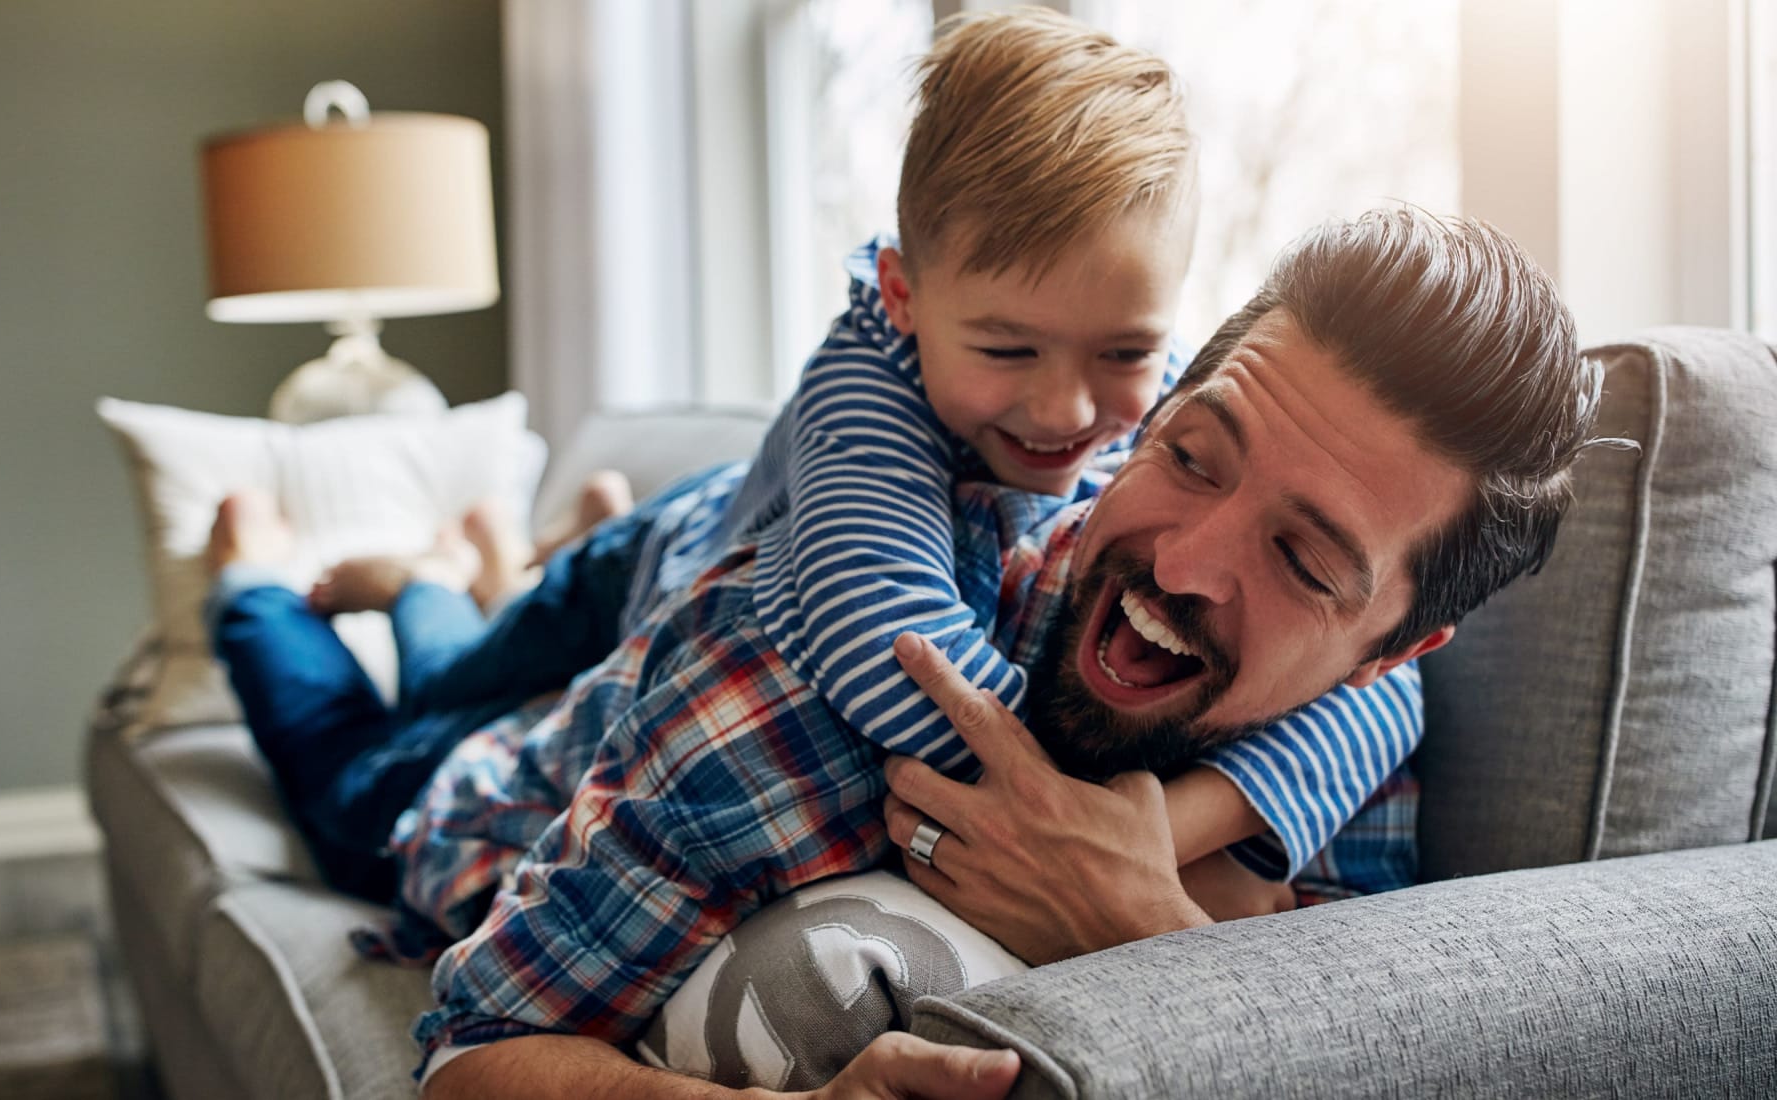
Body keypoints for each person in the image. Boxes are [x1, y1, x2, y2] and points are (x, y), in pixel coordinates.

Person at [412, 207, 1602, 1099]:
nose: (1183, 564)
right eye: (1190, 456)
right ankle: (404, 584)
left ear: (1390, 652)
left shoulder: (1352, 771)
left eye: (1300, 561)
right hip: (494, 780)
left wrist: (1139, 922)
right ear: (1140, 427)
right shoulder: (803, 676)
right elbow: (470, 1053)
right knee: (404, 693)